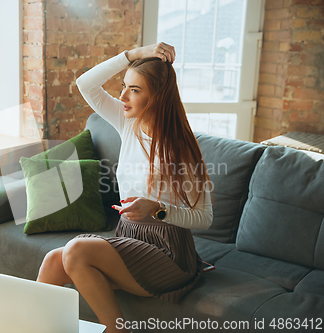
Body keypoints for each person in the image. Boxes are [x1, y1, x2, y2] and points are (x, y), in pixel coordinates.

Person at [36, 43, 214, 333]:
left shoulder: (180, 149)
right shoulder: (127, 123)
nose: (122, 97)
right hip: (130, 236)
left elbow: (204, 217)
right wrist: (134, 55)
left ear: (156, 97)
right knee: (53, 260)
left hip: (168, 251)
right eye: (124, 86)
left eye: (134, 90)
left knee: (75, 250)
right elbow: (85, 84)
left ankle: (117, 330)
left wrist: (157, 210)